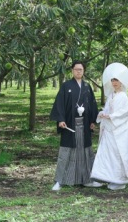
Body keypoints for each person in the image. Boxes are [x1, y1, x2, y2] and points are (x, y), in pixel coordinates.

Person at [49, 60, 101, 191]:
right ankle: (59, 181)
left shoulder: (87, 86)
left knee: (85, 152)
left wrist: (92, 121)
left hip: (84, 125)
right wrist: (60, 119)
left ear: (84, 71)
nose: (79, 71)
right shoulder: (66, 86)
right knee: (66, 152)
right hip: (70, 124)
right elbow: (59, 103)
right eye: (76, 69)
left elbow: (92, 105)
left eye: (81, 69)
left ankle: (88, 179)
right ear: (72, 71)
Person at [90, 62, 128, 190]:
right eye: (113, 80)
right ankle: (106, 177)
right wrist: (103, 113)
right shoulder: (111, 95)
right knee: (105, 153)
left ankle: (119, 180)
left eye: (117, 80)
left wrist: (112, 117)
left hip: (117, 130)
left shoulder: (123, 97)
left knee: (116, 153)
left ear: (122, 82)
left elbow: (125, 111)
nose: (114, 83)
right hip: (108, 130)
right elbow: (108, 109)